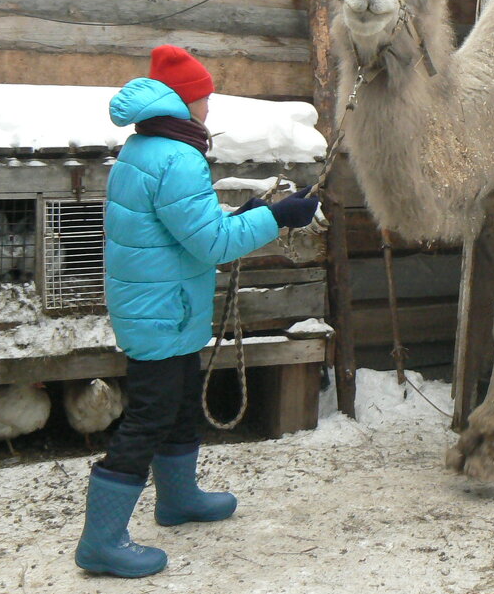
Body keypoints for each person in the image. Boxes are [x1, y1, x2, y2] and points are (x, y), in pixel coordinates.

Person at [75, 44, 320, 578]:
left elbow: (184, 227)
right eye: (204, 98)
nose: (210, 108)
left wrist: (251, 211)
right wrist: (278, 219)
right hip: (162, 311)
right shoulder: (177, 156)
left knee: (181, 403)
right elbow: (210, 242)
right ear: (186, 102)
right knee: (149, 419)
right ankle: (100, 541)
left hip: (163, 306)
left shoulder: (147, 148)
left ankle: (178, 500)